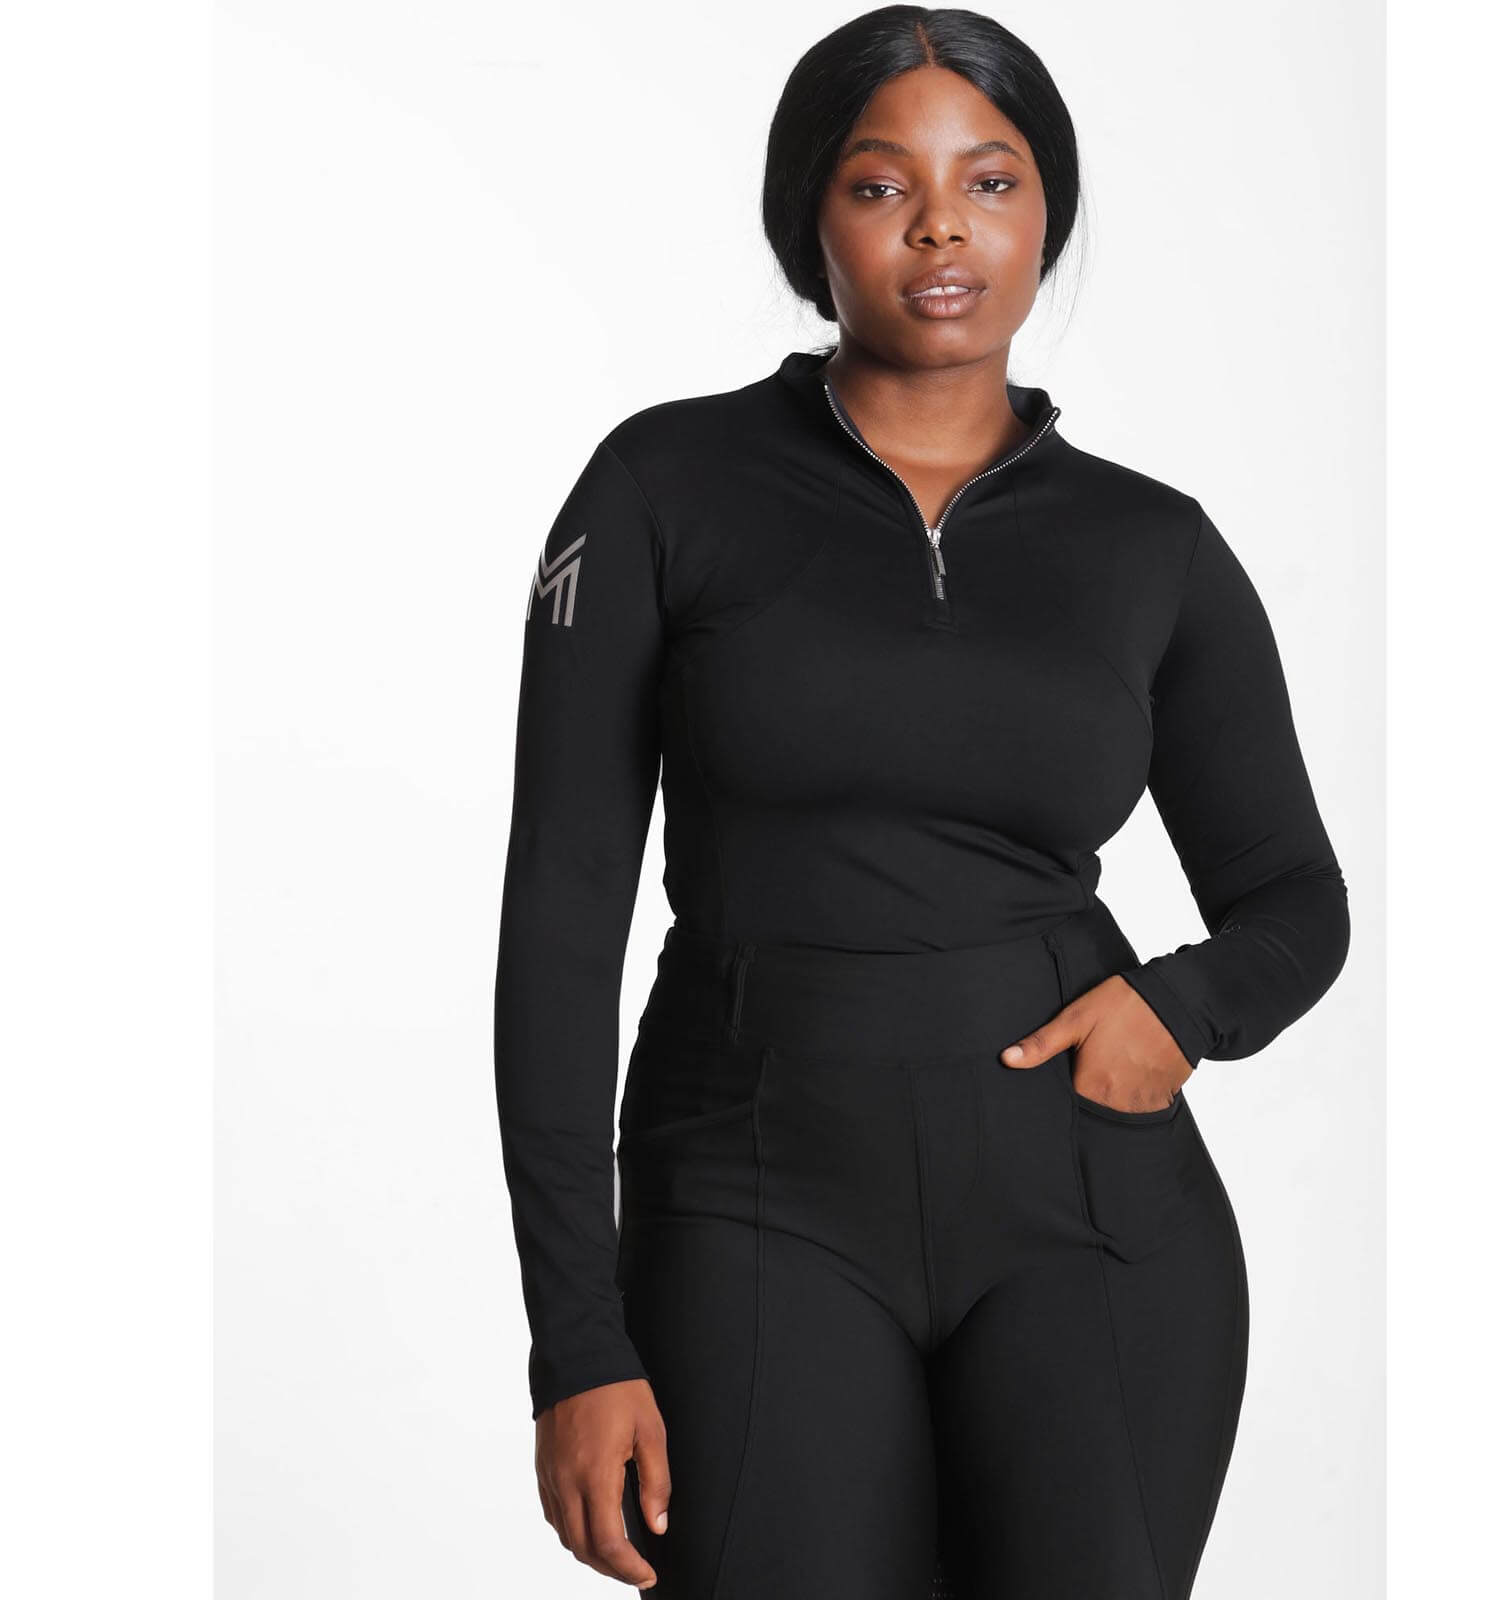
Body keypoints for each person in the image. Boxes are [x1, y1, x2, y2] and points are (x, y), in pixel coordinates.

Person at [493, 8, 1351, 1597]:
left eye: (992, 182)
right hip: (752, 1199)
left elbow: (1297, 900)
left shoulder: (1151, 548)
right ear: (808, 221)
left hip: (1087, 1217)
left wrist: (1179, 1011)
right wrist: (577, 1342)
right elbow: (558, 918)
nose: (944, 226)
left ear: (1046, 216)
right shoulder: (663, 490)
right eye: (883, 185)